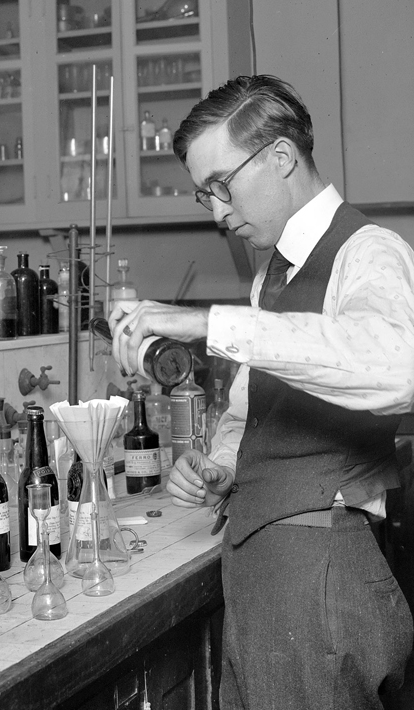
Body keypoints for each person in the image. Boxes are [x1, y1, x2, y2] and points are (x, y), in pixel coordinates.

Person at [109, 75, 414, 710]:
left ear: (280, 157)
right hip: (268, 570)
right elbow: (257, 396)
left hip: (318, 569)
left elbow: (398, 366)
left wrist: (205, 323)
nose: (218, 210)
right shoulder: (275, 270)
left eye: (222, 185)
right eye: (204, 195)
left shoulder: (369, 251)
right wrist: (222, 466)